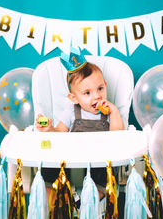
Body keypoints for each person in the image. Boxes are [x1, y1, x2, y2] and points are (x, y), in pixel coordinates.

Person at [35, 47, 125, 198]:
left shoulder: (108, 113)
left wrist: (114, 111)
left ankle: (85, 202)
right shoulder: (71, 112)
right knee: (48, 173)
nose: (97, 96)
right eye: (87, 93)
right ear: (74, 98)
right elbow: (59, 135)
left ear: (105, 85)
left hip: (97, 162)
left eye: (100, 89)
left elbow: (117, 139)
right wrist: (49, 129)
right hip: (70, 162)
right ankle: (61, 201)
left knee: (106, 176)